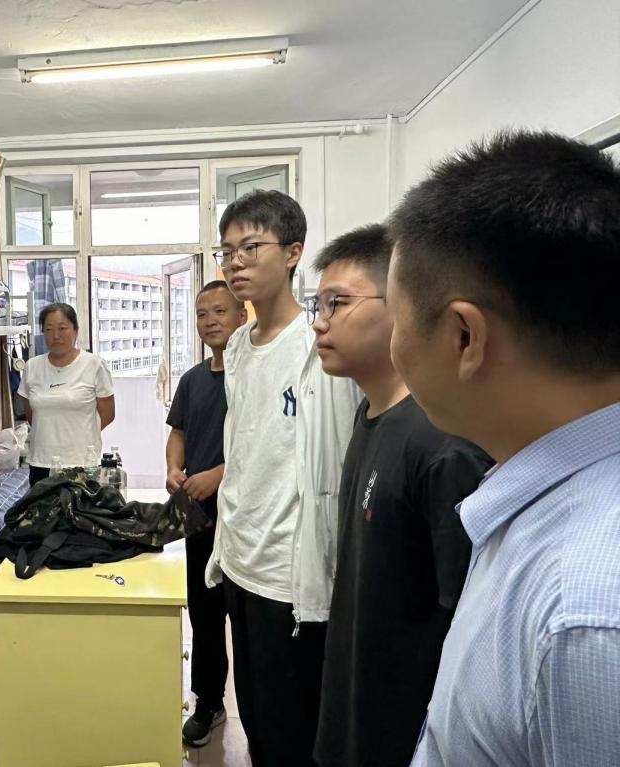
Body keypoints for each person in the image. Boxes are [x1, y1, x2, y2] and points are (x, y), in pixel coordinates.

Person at [386, 131, 620, 767]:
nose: (394, 343)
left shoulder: (583, 616)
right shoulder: (539, 500)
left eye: (397, 317)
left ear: (465, 337)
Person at [309, 223, 493, 767]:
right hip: (357, 709)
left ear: (403, 304)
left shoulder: (442, 445)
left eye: (337, 303)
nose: (319, 321)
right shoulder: (370, 415)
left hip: (407, 732)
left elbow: (466, 624)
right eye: (318, 304)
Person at [207, 189, 359, 766]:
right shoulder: (238, 346)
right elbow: (245, 446)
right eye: (227, 252)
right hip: (239, 559)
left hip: (289, 574)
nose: (235, 263)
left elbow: (338, 460)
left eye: (250, 248)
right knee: (255, 717)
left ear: (293, 253)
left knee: (292, 730)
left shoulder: (318, 345)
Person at [165, 279, 247, 748]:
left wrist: (218, 474)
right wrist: (173, 468)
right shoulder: (192, 380)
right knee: (205, 611)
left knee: (248, 616)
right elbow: (177, 432)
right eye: (201, 313)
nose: (210, 320)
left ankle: (261, 713)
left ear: (242, 316)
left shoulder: (253, 377)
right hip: (198, 514)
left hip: (246, 512)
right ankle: (208, 701)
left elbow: (270, 444)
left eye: (220, 311)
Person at [18, 302, 116, 486]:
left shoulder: (94, 364)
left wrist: (76, 434)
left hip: (82, 462)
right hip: (41, 461)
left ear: (76, 330)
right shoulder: (32, 366)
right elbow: (32, 415)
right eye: (48, 329)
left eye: (62, 328)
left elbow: (108, 414)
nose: (56, 335)